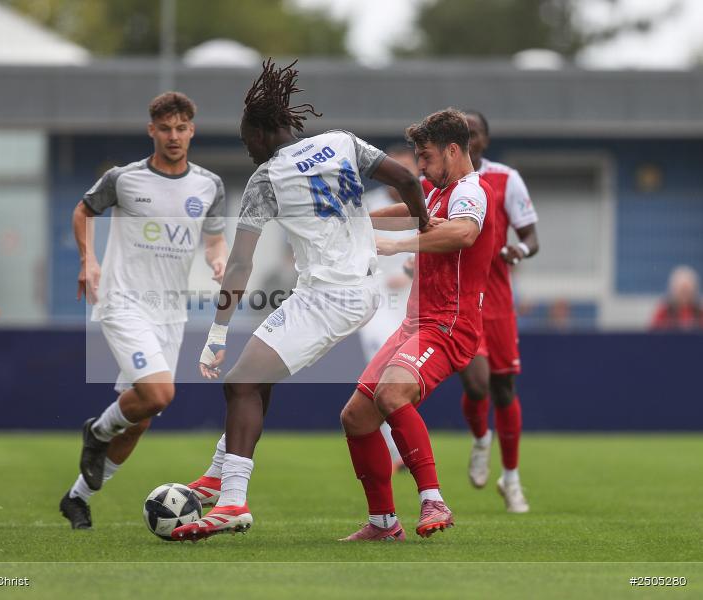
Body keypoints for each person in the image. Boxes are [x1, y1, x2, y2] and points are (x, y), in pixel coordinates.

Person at [171, 59, 427, 541]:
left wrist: (218, 333)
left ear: (265, 133)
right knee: (254, 378)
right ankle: (220, 473)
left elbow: (241, 265)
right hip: (350, 288)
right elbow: (410, 182)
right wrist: (426, 225)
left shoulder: (266, 180)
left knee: (241, 382)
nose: (247, 150)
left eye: (248, 140)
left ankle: (231, 502)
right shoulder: (342, 143)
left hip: (332, 297)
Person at [59, 91, 229, 530]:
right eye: (165, 129)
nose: (174, 137)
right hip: (123, 301)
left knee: (141, 418)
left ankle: (77, 497)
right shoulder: (124, 178)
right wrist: (88, 260)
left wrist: (217, 259)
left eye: (181, 128)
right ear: (151, 130)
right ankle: (96, 431)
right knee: (159, 395)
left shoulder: (208, 185)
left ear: (192, 130)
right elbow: (82, 211)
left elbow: (213, 236)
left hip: (170, 312)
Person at [339, 108, 497, 541]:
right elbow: (402, 208)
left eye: (426, 158)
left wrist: (396, 245)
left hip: (448, 325)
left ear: (452, 150)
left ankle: (433, 499)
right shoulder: (435, 189)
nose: (420, 168)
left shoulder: (470, 191)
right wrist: (349, 222)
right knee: (355, 416)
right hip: (416, 323)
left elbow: (463, 234)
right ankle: (384, 524)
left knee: (392, 394)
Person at [448, 110, 540, 513]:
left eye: (475, 132)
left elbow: (531, 236)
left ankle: (512, 479)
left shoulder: (506, 179)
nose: (470, 138)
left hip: (499, 301)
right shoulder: (441, 180)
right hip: (462, 298)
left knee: (504, 389)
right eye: (463, 133)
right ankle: (481, 438)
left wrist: (520, 249)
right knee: (477, 385)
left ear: (485, 139)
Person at [357, 145, 421, 472]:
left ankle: (401, 447)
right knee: (381, 375)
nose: (407, 174)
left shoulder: (425, 202)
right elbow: (354, 252)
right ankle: (397, 452)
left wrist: (413, 271)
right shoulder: (371, 206)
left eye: (411, 168)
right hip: (378, 304)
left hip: (415, 305)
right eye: (400, 168)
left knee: (404, 379)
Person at [649, 265, 703, 330]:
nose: (684, 295)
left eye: (687, 291)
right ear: (673, 290)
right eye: (681, 291)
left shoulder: (700, 314)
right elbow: (653, 335)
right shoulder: (664, 313)